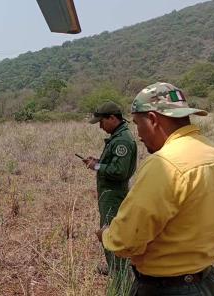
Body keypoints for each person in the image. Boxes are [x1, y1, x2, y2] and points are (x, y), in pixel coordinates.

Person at [97, 82, 214, 295]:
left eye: (137, 124)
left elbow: (127, 240)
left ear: (153, 119)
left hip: (167, 287)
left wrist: (107, 235)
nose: (139, 135)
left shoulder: (164, 164)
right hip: (208, 282)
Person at [83, 101, 137, 274]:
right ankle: (115, 267)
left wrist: (97, 167)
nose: (100, 126)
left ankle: (119, 272)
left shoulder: (122, 140)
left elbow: (119, 171)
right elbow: (114, 165)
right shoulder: (118, 137)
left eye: (101, 122)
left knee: (110, 231)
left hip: (114, 194)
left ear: (112, 118)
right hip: (110, 193)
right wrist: (99, 162)